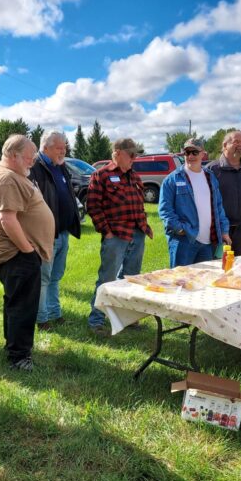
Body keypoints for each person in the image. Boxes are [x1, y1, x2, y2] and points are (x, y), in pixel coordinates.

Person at [0, 135, 54, 370]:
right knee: (23, 306)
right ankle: (19, 357)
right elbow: (7, 219)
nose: (32, 161)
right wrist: (27, 250)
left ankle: (14, 348)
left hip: (18, 254)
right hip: (16, 254)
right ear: (13, 155)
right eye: (28, 157)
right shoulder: (6, 178)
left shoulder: (12, 175)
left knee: (16, 302)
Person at [87, 138, 153, 334]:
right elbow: (93, 206)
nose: (135, 158)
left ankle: (127, 318)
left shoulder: (134, 176)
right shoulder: (101, 175)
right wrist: (106, 232)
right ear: (117, 153)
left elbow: (139, 204)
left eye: (136, 154)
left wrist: (143, 224)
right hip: (115, 236)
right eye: (131, 154)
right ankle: (96, 321)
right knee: (106, 279)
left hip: (137, 233)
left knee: (131, 279)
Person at [28, 130, 81, 331]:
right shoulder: (35, 167)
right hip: (45, 234)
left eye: (65, 147)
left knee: (56, 276)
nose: (64, 151)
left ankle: (54, 312)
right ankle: (42, 319)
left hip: (62, 232)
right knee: (43, 277)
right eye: (60, 148)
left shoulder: (61, 166)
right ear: (46, 147)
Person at [159, 138, 231, 266]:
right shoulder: (172, 179)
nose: (190, 156)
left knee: (204, 281)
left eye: (195, 152)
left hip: (208, 242)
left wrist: (224, 231)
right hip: (184, 242)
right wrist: (181, 230)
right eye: (187, 152)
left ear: (203, 154)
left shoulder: (210, 176)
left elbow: (218, 207)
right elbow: (165, 211)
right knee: (181, 281)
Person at [208, 130, 241, 256]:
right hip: (218, 230)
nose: (240, 145)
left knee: (239, 267)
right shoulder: (212, 170)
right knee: (218, 267)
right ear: (224, 145)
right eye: (236, 142)